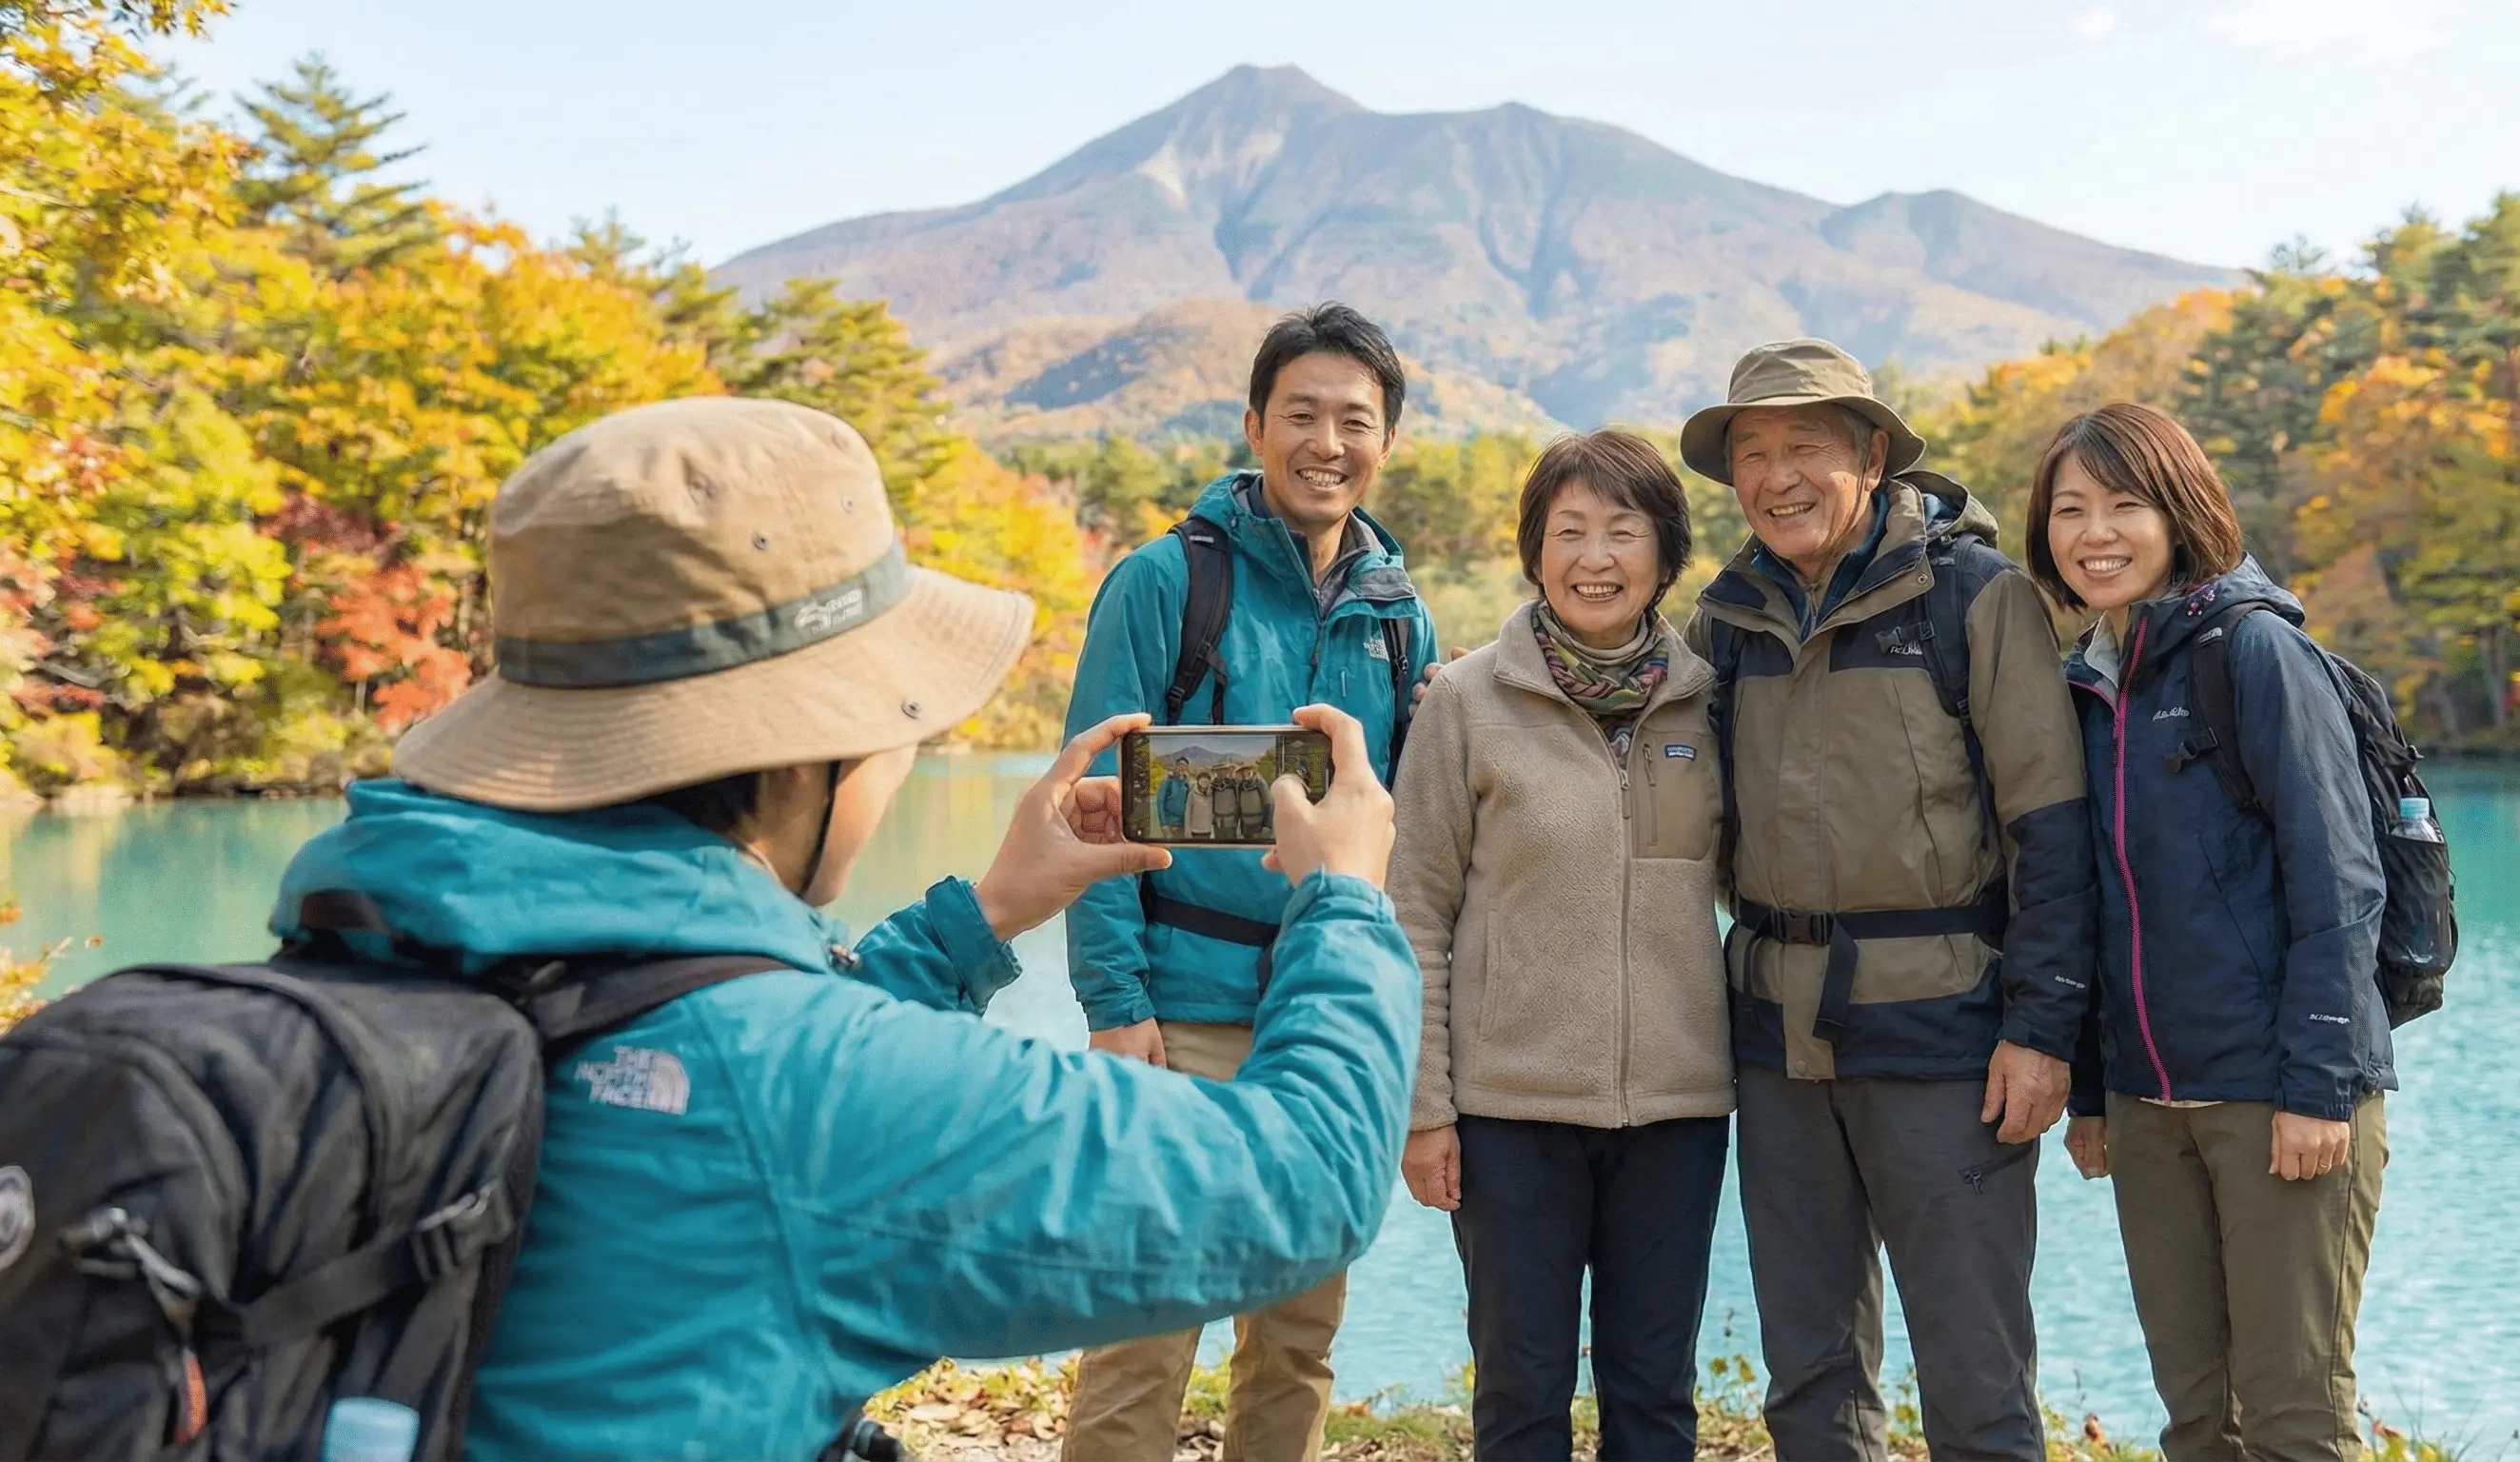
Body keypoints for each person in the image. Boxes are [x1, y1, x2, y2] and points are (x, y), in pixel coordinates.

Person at [265, 396, 1420, 1462]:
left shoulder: (362, 957)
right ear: (811, 754)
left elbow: (732, 1030)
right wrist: (1344, 903)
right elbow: (1301, 1190)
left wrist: (991, 912)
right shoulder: (812, 1091)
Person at [1679, 340, 2098, 1461]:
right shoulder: (1724, 617)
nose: (1774, 477)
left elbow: (2052, 831)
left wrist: (2041, 1031)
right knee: (1807, 1370)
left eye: (1802, 447)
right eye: (1752, 453)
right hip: (1774, 1041)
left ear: (1870, 453)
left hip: (1947, 1038)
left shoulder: (1975, 598)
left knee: (1974, 1373)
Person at [1061, 303, 1440, 1462]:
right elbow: (1090, 808)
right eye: (1303, 416)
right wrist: (1116, 1007)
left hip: (1320, 1017)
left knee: (1296, 1335)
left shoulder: (1397, 613)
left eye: (1355, 423)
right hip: (1180, 1012)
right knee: (1145, 1324)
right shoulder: (1165, 582)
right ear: (1253, 424)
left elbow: (1405, 830)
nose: (1327, 444)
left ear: (1386, 441)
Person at [2031, 404, 2391, 1462]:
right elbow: (2096, 902)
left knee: (2290, 1418)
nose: (2093, 532)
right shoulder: (2088, 682)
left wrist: (2318, 1085)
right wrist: (2096, 1093)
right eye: (2068, 509)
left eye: (2122, 505)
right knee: (2198, 1418)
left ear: (2178, 513)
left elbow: (2338, 875)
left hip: (2277, 1097)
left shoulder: (2254, 653)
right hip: (2149, 1107)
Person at [1389, 430, 1732, 1460]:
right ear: (1534, 551)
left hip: (1674, 1111)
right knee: (1521, 1398)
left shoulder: (1711, 702)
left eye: (1622, 532)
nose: (1594, 558)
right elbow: (1414, 911)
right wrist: (1425, 1106)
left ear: (1664, 555)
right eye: (1567, 531)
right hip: (1507, 1114)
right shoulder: (1463, 703)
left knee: (1654, 1399)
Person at [1158, 760, 1192, 838]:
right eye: (1180, 765)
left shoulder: (1186, 783)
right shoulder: (1167, 781)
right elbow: (1160, 803)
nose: (1182, 767)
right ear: (1176, 766)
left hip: (1183, 825)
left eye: (1185, 766)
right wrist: (1163, 824)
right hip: (1170, 825)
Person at [1187, 771, 1216, 840]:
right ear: (1198, 780)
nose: (1204, 781)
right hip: (1194, 831)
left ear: (1209, 781)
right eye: (1202, 778)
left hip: (1207, 831)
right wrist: (1187, 830)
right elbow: (1187, 813)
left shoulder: (1213, 793)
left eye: (1206, 779)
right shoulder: (1192, 794)